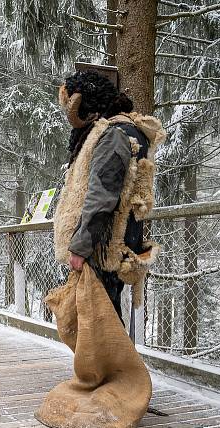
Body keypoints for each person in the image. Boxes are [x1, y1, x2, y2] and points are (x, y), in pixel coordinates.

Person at [53, 69, 164, 318]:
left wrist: (81, 247)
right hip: (105, 245)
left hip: (103, 248)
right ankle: (110, 358)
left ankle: (114, 359)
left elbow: (101, 196)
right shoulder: (121, 131)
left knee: (101, 328)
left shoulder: (113, 135)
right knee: (101, 324)